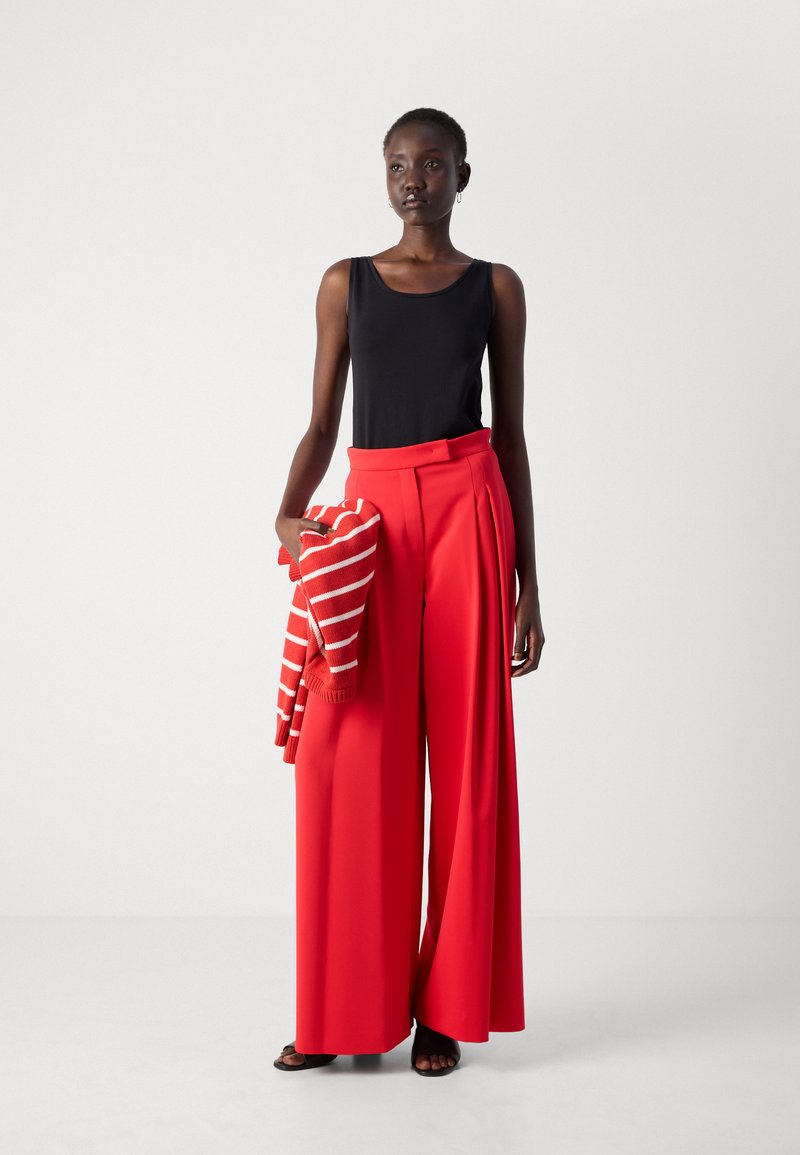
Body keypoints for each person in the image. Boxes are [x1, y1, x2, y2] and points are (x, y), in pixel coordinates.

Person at [273, 107, 544, 1076]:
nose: (412, 179)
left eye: (431, 164)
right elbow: (321, 423)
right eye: (397, 163)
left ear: (462, 176)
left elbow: (511, 436)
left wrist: (529, 583)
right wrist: (286, 512)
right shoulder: (343, 283)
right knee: (348, 759)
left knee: (466, 765)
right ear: (382, 175)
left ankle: (445, 1008)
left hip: (470, 508)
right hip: (373, 518)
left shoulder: (495, 287)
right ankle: (340, 1010)